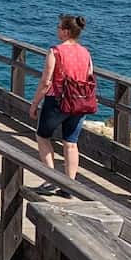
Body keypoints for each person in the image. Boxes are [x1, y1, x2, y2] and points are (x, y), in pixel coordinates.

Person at [29, 14, 93, 194]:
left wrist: (35, 103)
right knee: (71, 143)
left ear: (65, 32)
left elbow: (46, 82)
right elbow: (89, 76)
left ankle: (51, 180)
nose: (57, 30)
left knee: (42, 137)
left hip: (57, 100)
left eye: (58, 27)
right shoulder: (86, 52)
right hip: (80, 101)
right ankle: (70, 186)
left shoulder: (55, 51)